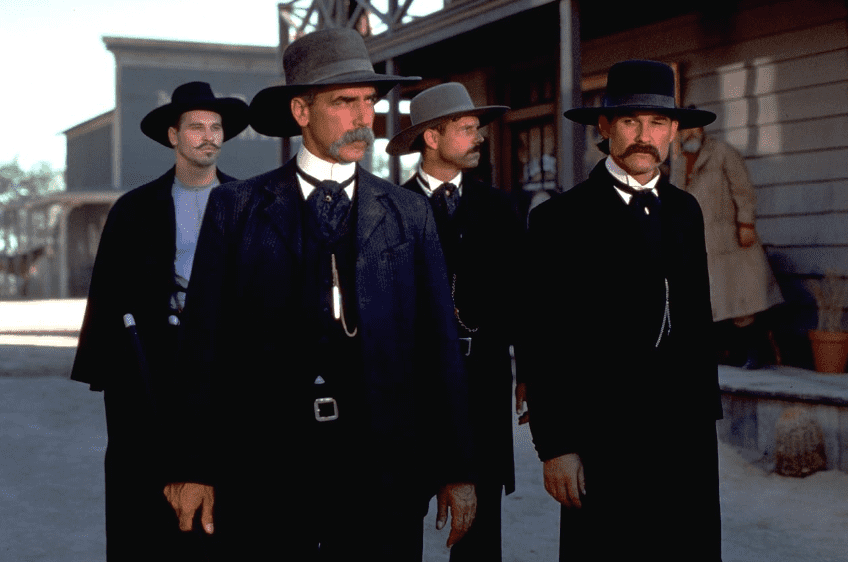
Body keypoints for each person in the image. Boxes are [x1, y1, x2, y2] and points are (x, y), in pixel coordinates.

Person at [161, 28, 476, 561]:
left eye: (369, 103)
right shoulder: (237, 208)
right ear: (301, 111)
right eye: (344, 102)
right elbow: (201, 347)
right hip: (267, 470)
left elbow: (440, 348)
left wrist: (457, 469)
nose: (362, 118)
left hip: (383, 471)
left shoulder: (407, 212)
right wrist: (192, 466)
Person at [525, 60, 723, 561]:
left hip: (684, 438)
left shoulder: (684, 211)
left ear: (674, 131)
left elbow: (696, 320)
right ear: (605, 127)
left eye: (658, 123)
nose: (644, 136)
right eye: (631, 122)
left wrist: (704, 418)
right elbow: (543, 339)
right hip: (602, 438)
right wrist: (556, 446)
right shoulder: (559, 220)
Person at [71, 81, 249, 560]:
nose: (208, 136)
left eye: (216, 128)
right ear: (173, 136)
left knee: (226, 515)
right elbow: (108, 298)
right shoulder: (135, 209)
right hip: (152, 369)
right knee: (146, 516)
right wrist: (114, 379)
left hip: (226, 369)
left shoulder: (247, 204)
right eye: (196, 127)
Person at [386, 82, 522, 561]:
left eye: (477, 129)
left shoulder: (503, 208)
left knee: (480, 538)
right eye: (466, 130)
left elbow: (521, 299)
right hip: (408, 391)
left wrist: (528, 371)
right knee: (395, 528)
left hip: (481, 386)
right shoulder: (385, 210)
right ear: (432, 138)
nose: (478, 138)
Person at [673, 121, 784, 368]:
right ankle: (727, 355)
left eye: (694, 128)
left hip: (729, 237)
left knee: (741, 299)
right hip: (699, 241)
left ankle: (753, 354)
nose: (689, 133)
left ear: (702, 130)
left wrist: (746, 224)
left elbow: (742, 189)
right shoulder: (680, 162)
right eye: (684, 130)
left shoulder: (722, 152)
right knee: (710, 302)